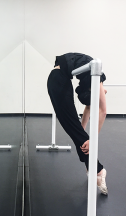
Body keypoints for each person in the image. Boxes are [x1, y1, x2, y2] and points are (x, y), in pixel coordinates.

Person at [47, 52, 108, 195]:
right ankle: (96, 170)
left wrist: (91, 139)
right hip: (58, 81)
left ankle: (96, 170)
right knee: (75, 131)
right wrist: (84, 131)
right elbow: (89, 107)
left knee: (75, 132)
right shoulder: (94, 78)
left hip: (57, 81)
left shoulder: (94, 77)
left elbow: (102, 111)